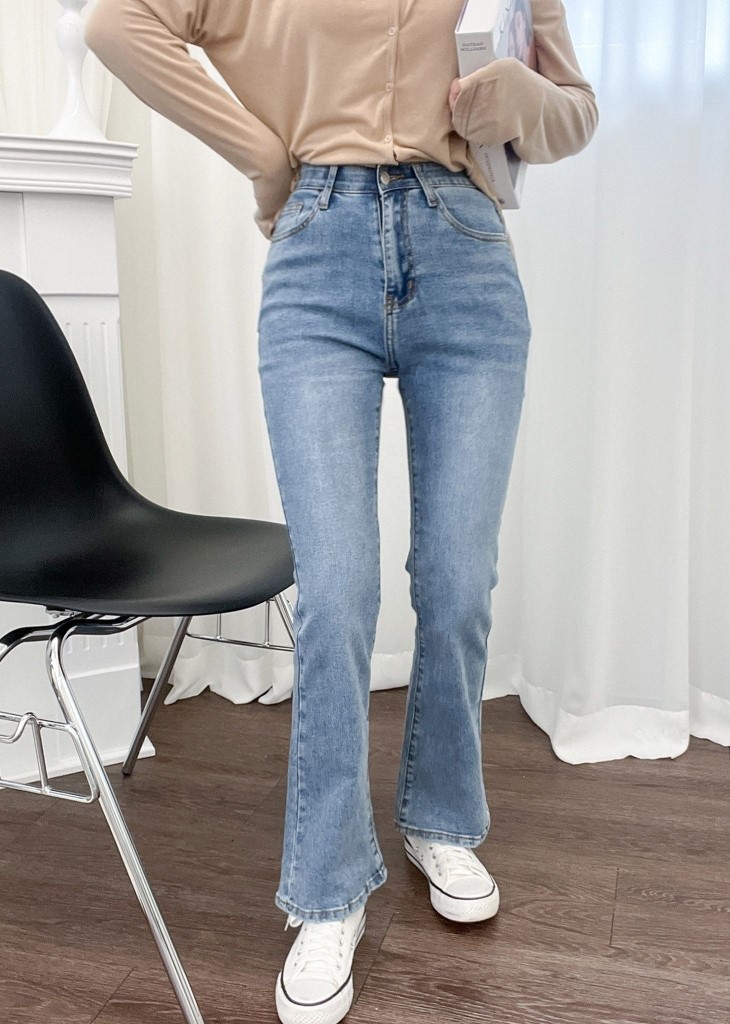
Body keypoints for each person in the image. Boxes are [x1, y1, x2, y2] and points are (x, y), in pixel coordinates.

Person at [83, 2, 598, 1022]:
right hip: (318, 251)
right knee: (338, 588)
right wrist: (263, 157)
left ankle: (440, 819)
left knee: (458, 578)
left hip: (466, 250)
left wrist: (519, 96)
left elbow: (575, 113)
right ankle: (326, 887)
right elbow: (117, 24)